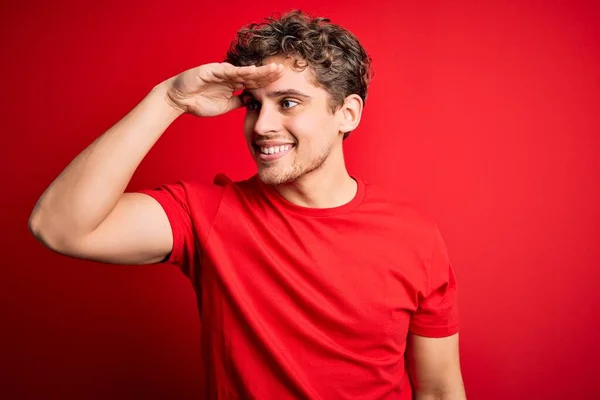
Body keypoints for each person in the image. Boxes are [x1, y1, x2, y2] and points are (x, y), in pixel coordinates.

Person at [28, 9, 466, 400]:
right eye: (253, 106)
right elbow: (59, 226)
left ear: (347, 114)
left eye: (288, 102)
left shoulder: (414, 235)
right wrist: (169, 100)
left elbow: (441, 389)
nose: (263, 126)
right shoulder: (209, 214)